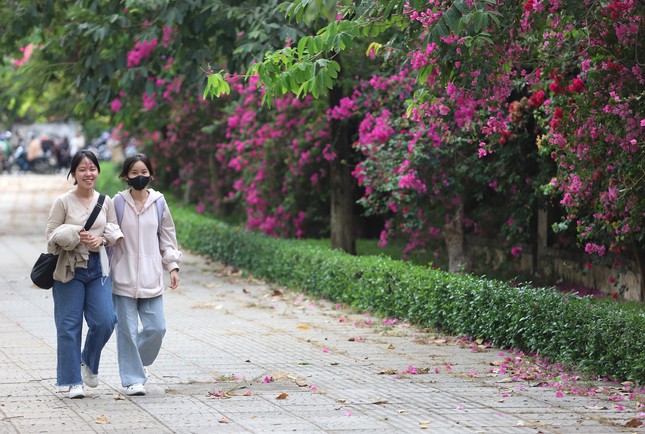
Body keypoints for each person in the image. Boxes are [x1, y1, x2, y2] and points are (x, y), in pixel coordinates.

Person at [46, 150, 123, 399]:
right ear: (74, 174)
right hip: (68, 269)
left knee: (106, 320)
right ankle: (71, 381)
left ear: (98, 171)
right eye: (82, 169)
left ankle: (87, 362)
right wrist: (75, 234)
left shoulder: (105, 201)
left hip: (97, 268)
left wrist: (101, 239)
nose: (88, 173)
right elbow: (51, 237)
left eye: (92, 168)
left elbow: (113, 230)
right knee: (69, 326)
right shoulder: (63, 202)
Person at [110, 153, 182, 396]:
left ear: (150, 174)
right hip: (122, 277)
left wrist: (172, 266)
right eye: (134, 173)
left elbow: (167, 237)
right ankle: (132, 379)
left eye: (143, 172)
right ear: (126, 177)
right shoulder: (117, 203)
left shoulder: (159, 202)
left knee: (157, 328)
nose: (139, 177)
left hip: (151, 277)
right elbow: (108, 232)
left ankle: (135, 363)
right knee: (126, 331)